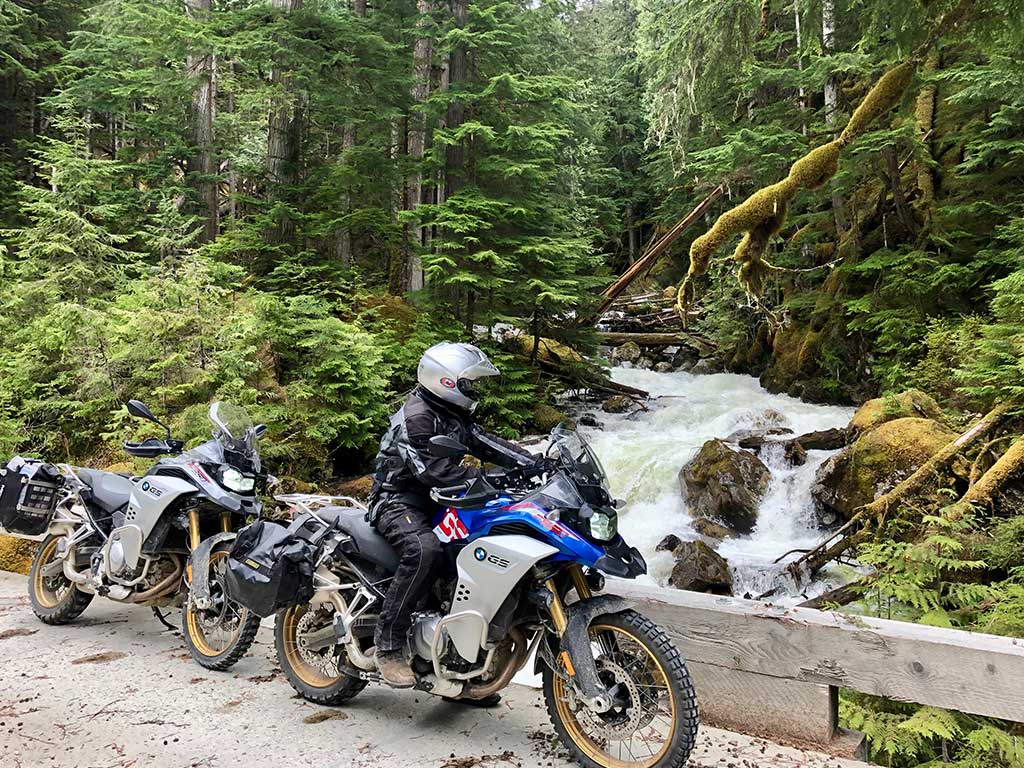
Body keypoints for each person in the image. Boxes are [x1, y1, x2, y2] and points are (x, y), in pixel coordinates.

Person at [368, 342, 538, 689]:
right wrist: (489, 478)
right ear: (445, 380)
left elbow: (486, 442)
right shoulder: (417, 417)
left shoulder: (450, 412)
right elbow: (432, 471)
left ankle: (460, 662)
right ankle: (388, 645)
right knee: (424, 551)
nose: (473, 390)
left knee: (479, 551)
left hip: (441, 500)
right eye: (468, 382)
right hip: (399, 501)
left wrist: (534, 463)